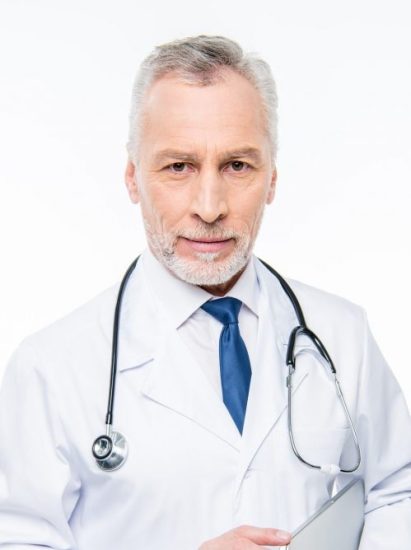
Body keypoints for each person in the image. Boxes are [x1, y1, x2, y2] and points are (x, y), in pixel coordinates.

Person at [0, 34, 410, 550]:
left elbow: (398, 491)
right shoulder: (52, 368)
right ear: (132, 177)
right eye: (179, 166)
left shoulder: (342, 334)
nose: (210, 206)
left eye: (237, 165)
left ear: (273, 178)